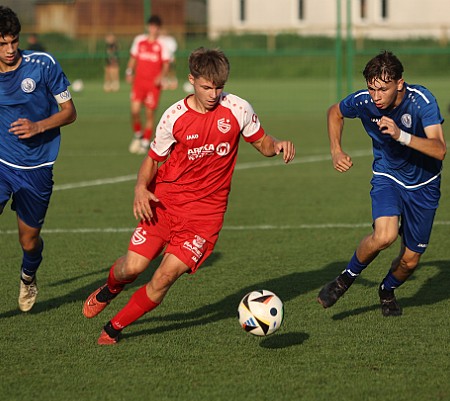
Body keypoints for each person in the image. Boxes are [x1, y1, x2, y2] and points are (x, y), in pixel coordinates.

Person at [83, 47, 296, 345]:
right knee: (131, 268)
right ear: (191, 80)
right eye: (206, 87)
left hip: (204, 219)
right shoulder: (174, 117)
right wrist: (140, 188)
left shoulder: (237, 109)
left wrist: (278, 146)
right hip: (165, 205)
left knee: (163, 278)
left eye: (218, 87)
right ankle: (110, 289)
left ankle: (114, 328)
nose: (213, 94)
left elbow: (262, 142)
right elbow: (153, 158)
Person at [317, 50, 446, 316]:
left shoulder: (422, 102)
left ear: (400, 83)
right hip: (388, 175)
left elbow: (439, 149)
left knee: (410, 261)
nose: (376, 96)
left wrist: (402, 136)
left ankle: (387, 290)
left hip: (425, 185)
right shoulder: (365, 101)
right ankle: (344, 280)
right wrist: (336, 150)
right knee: (385, 235)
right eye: (371, 89)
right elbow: (334, 112)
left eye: (383, 89)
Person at [0, 6, 77, 312]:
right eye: (2, 43)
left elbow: (70, 112)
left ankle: (28, 275)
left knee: (29, 241)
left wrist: (38, 126)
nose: (9, 49)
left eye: (13, 42)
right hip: (2, 163)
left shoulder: (42, 64)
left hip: (37, 168)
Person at [126, 15, 170, 155]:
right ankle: (138, 134)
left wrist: (161, 77)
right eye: (151, 26)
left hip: (153, 86)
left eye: (156, 27)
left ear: (158, 29)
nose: (153, 29)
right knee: (134, 111)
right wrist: (129, 71)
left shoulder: (162, 45)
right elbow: (133, 58)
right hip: (138, 83)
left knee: (149, 114)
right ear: (148, 27)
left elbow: (166, 64)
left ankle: (145, 142)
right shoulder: (139, 41)